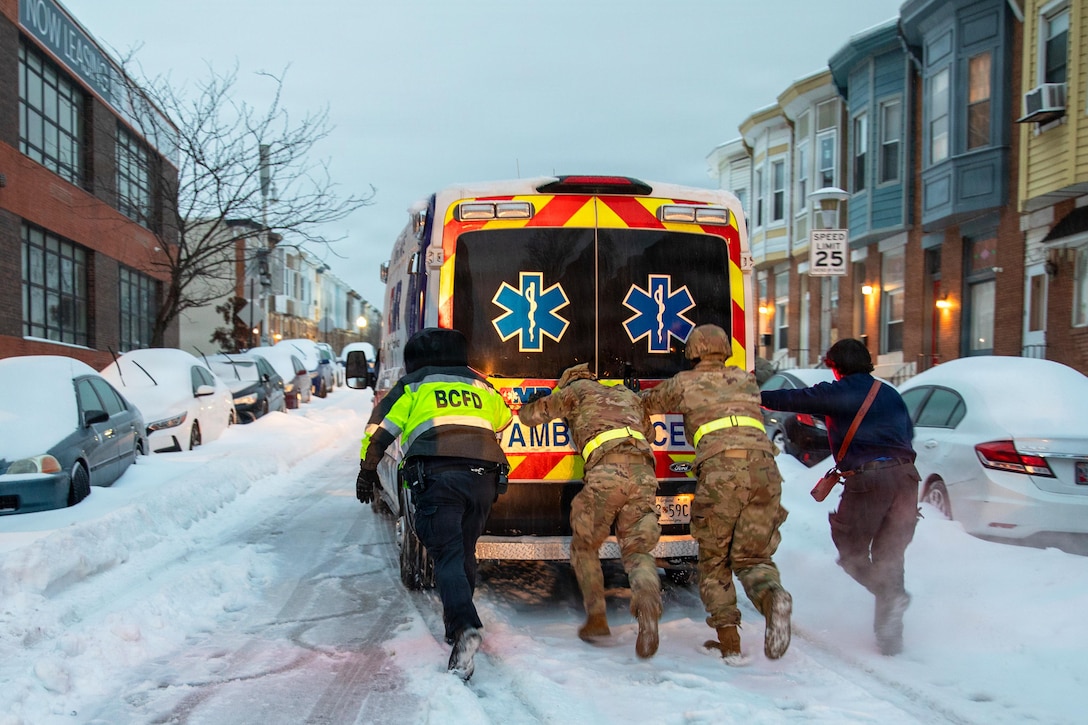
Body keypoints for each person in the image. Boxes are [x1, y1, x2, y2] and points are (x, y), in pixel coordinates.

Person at [356, 328, 512, 681]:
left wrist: (367, 471)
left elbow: (379, 430)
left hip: (438, 475)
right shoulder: (480, 384)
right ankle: (455, 624)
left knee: (446, 555)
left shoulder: (413, 384)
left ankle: (465, 629)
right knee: (463, 551)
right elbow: (503, 418)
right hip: (485, 476)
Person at [641, 324, 792, 665]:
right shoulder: (745, 380)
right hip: (766, 472)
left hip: (724, 473)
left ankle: (730, 642)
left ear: (692, 351)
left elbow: (646, 403)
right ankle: (773, 599)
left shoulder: (683, 383)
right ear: (724, 349)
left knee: (714, 561)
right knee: (753, 558)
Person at [760, 338, 919, 656]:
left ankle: (889, 595)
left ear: (837, 367)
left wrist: (750, 395)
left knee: (851, 552)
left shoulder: (839, 391)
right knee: (891, 556)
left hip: (870, 481)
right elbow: (906, 434)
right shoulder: (888, 393)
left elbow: (794, 398)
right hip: (907, 479)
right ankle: (890, 638)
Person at [518, 363, 663, 659]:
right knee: (638, 551)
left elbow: (532, 416)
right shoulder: (625, 394)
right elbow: (647, 429)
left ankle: (597, 619)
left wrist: (525, 404)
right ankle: (647, 600)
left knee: (585, 546)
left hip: (607, 472)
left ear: (569, 382)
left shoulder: (574, 392)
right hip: (644, 473)